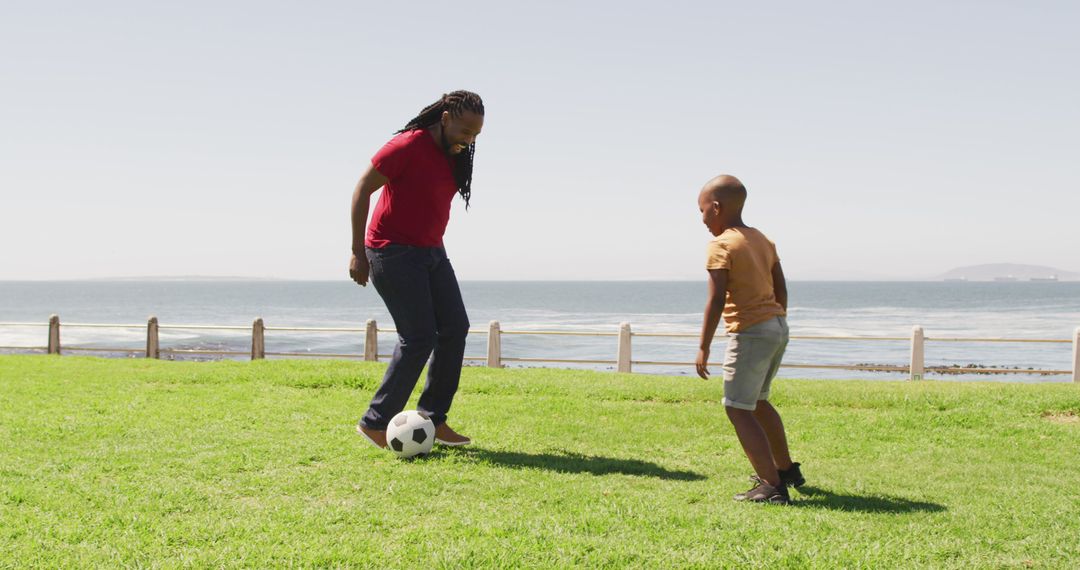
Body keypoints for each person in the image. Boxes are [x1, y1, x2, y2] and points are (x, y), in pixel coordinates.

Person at [348, 90, 485, 449]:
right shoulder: (407, 145)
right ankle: (375, 422)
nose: (468, 140)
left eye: (475, 135)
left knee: (455, 327)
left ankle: (433, 419)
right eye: (464, 131)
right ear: (444, 118)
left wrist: (459, 149)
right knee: (419, 336)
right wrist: (357, 252)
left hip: (431, 252)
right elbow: (362, 188)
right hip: (390, 252)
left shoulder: (456, 156)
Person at [694, 174, 805, 504]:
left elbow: (715, 300)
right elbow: (781, 288)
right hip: (776, 326)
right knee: (757, 402)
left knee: (737, 408)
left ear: (716, 208)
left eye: (701, 211)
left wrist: (703, 346)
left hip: (752, 331)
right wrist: (774, 318)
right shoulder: (761, 239)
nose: (701, 219)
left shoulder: (721, 244)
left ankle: (772, 486)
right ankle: (785, 470)